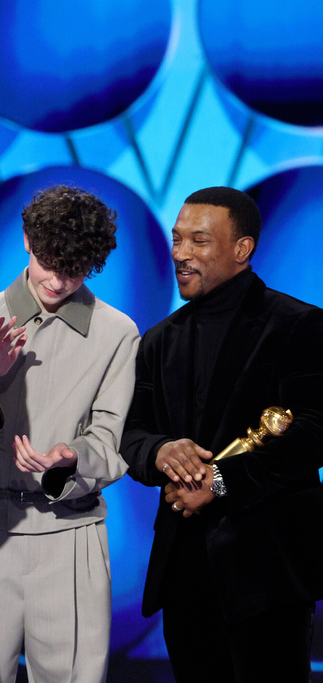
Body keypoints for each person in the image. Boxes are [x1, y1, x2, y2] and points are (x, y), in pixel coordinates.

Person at [120, 187, 323, 683]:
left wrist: (220, 482)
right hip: (184, 569)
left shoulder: (299, 325)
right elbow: (131, 436)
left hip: (267, 572)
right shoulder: (158, 339)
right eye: (177, 240)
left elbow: (315, 432)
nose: (180, 254)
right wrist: (161, 452)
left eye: (199, 241)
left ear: (242, 249)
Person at [0, 186, 139, 683]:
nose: (59, 279)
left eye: (76, 268)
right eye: (51, 261)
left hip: (70, 534)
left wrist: (70, 458)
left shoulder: (117, 333)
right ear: (27, 240)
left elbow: (110, 441)